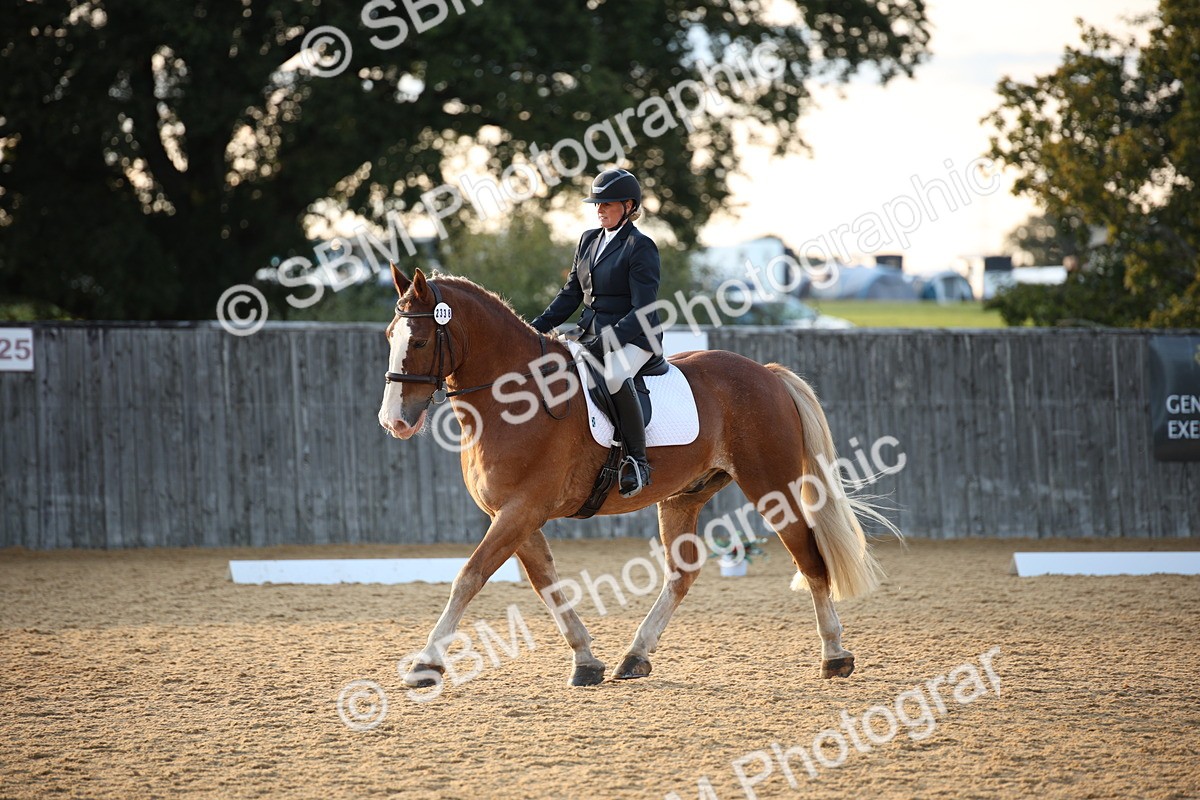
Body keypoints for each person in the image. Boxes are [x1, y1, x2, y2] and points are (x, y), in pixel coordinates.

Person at [530, 168, 662, 498]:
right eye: (597, 204)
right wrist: (534, 328)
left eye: (607, 204)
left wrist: (609, 340)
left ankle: (637, 460)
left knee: (615, 375)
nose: (599, 209)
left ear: (629, 206)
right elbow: (571, 294)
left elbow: (643, 310)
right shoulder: (589, 239)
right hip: (588, 332)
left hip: (635, 336)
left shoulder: (640, 246)